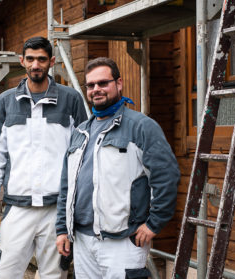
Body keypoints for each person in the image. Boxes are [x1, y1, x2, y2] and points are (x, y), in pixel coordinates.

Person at [56, 57, 180, 278]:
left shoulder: (141, 127)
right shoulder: (80, 132)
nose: (97, 89)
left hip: (122, 241)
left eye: (103, 83)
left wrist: (154, 224)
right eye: (91, 85)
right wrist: (62, 230)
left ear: (119, 83)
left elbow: (166, 177)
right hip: (83, 240)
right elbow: (67, 186)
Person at [0, 36, 88, 279]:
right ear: (22, 61)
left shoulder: (70, 100)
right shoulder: (6, 102)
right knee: (5, 274)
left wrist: (77, 207)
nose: (35, 65)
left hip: (56, 210)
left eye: (41, 59)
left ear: (51, 61)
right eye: (30, 59)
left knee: (53, 275)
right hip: (18, 209)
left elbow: (83, 156)